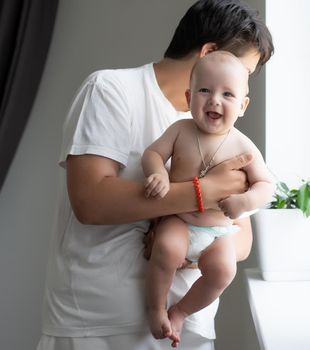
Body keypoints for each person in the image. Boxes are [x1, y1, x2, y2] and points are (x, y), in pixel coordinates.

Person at [37, 0, 274, 349]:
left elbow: (242, 238)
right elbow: (90, 202)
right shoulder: (111, 90)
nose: (240, 86)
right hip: (98, 326)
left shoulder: (227, 135)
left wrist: (194, 244)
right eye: (245, 71)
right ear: (209, 52)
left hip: (188, 327)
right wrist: (202, 193)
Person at [143, 50, 274, 346]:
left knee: (224, 271)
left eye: (228, 94)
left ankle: (180, 312)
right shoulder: (180, 130)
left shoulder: (242, 144)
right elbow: (153, 153)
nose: (215, 99)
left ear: (242, 106)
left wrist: (246, 202)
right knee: (165, 248)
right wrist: (159, 173)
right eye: (205, 90)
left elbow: (266, 184)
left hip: (216, 232)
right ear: (189, 97)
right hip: (181, 219)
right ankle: (156, 309)